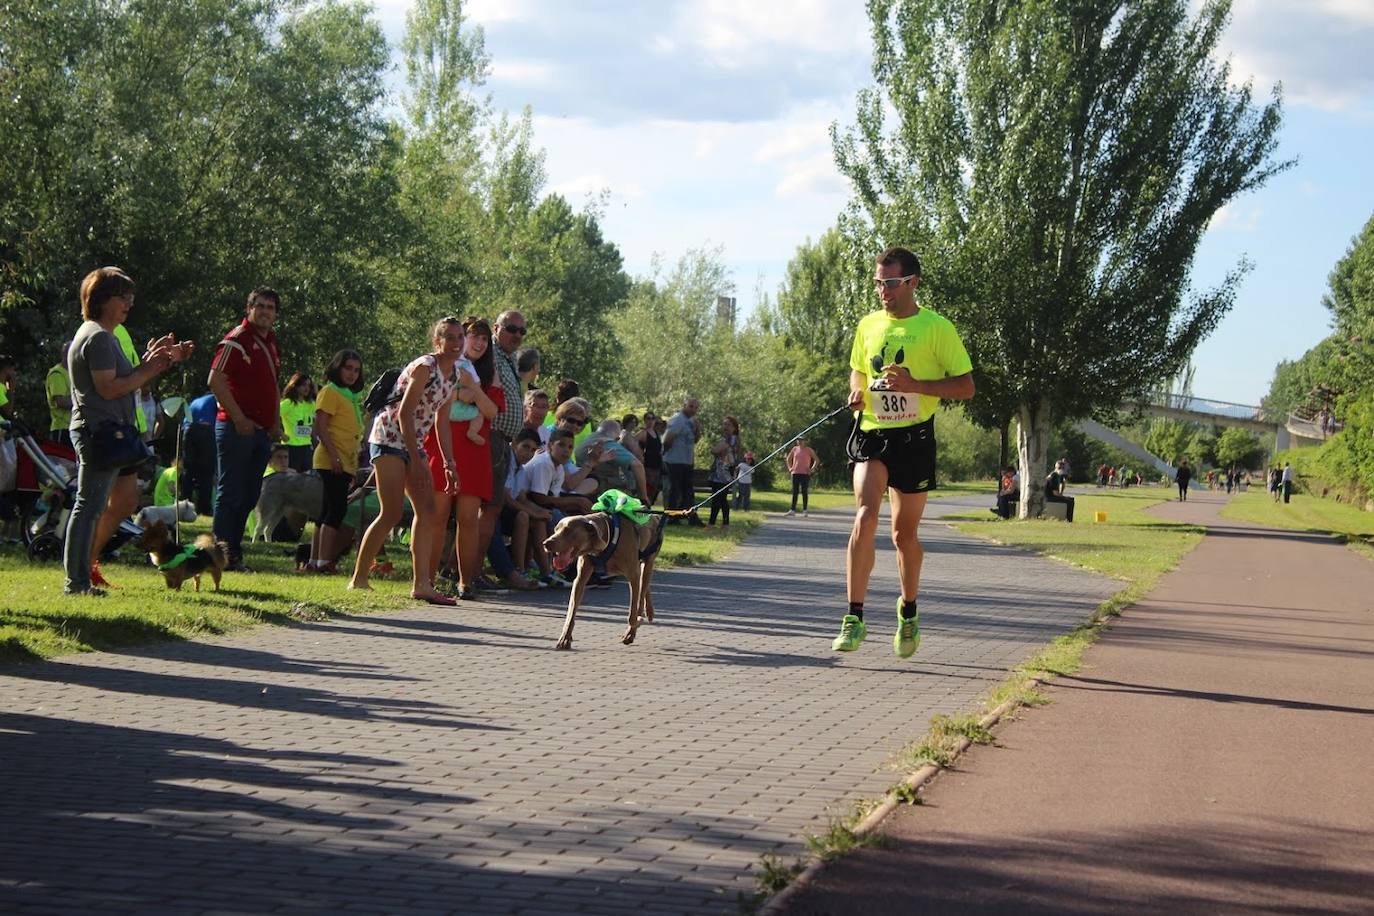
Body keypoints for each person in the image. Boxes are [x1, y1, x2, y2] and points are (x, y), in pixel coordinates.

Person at [834, 246, 974, 657]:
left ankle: (908, 610)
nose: (883, 291)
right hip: (872, 433)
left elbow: (965, 387)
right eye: (878, 283)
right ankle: (854, 617)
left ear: (912, 282)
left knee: (903, 535)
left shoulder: (936, 328)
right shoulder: (868, 325)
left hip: (914, 437)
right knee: (864, 513)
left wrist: (917, 386)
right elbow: (858, 367)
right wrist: (856, 390)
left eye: (890, 283)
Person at [63, 267, 189, 595]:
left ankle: (82, 574)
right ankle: (76, 582)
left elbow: (121, 380)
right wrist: (148, 369)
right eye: (123, 297)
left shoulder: (101, 334)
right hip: (100, 432)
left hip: (110, 432)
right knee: (88, 507)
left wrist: (153, 361)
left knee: (112, 502)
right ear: (103, 299)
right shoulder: (99, 337)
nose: (129, 304)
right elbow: (108, 389)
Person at [349, 317, 463, 602]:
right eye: (449, 337)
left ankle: (422, 584)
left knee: (428, 512)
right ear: (437, 341)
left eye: (460, 337)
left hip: (413, 443)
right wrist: (417, 457)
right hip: (388, 438)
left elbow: (442, 422)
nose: (456, 343)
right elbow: (404, 413)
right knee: (390, 512)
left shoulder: (455, 376)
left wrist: (449, 463)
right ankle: (358, 579)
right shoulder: (426, 366)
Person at [208, 287, 283, 571]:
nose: (265, 312)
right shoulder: (236, 341)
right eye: (260, 306)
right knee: (231, 493)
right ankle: (219, 554)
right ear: (249, 308)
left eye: (270, 308)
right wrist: (239, 418)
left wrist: (274, 422)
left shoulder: (271, 342)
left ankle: (233, 552)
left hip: (260, 432)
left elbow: (272, 385)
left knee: (251, 494)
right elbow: (215, 380)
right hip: (235, 428)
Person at [308, 349, 365, 573]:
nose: (352, 374)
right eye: (347, 368)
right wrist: (334, 456)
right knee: (336, 511)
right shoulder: (330, 391)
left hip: (345, 461)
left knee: (326, 511)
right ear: (337, 367)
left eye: (356, 370)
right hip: (332, 460)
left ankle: (314, 561)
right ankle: (324, 561)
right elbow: (321, 427)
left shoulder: (349, 396)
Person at [662, 397, 702, 523]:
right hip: (674, 460)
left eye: (696, 407)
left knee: (688, 490)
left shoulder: (691, 420)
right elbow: (668, 439)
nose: (693, 409)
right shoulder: (678, 419)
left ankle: (690, 516)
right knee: (675, 490)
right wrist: (666, 454)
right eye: (691, 406)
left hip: (687, 460)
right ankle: (673, 517)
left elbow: (695, 440)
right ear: (684, 405)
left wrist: (698, 430)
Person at [181, 391, 218, 515]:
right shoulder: (215, 399)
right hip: (206, 431)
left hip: (188, 431)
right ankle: (204, 508)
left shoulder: (195, 402)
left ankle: (184, 503)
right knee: (206, 472)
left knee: (188, 470)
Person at [706, 415, 741, 528]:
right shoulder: (727, 438)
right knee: (720, 499)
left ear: (734, 428)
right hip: (718, 472)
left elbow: (716, 450)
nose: (725, 427)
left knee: (718, 498)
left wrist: (714, 448)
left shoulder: (731, 438)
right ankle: (720, 523)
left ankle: (715, 523)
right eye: (724, 424)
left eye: (728, 425)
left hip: (723, 474)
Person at [279, 372, 317, 472]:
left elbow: (315, 423)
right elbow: (272, 417)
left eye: (309, 385)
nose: (307, 388)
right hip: (291, 447)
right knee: (292, 479)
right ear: (295, 385)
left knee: (306, 479)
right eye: (304, 385)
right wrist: (281, 434)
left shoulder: (311, 404)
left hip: (307, 447)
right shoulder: (287, 403)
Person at [46, 344, 73, 446]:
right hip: (63, 428)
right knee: (64, 461)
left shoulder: (73, 373)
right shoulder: (57, 374)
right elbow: (61, 402)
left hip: (75, 427)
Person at [786, 436, 820, 516]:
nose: (800, 442)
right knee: (795, 492)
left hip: (805, 473)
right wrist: (790, 468)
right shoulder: (795, 449)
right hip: (795, 472)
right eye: (799, 440)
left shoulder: (809, 450)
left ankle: (805, 510)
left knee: (804, 492)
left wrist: (811, 469)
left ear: (805, 441)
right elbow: (788, 459)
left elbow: (817, 460)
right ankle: (792, 510)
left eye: (802, 440)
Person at [639, 409, 663, 506]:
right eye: (648, 418)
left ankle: (649, 508)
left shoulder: (657, 433)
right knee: (647, 488)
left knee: (655, 489)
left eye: (653, 419)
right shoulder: (643, 433)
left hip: (657, 465)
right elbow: (633, 442)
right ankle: (644, 507)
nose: (651, 421)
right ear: (645, 420)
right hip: (647, 465)